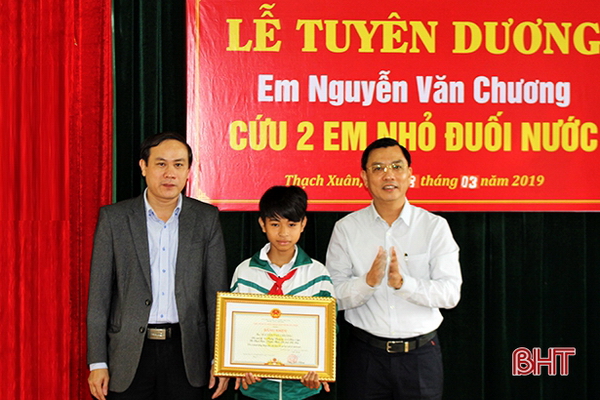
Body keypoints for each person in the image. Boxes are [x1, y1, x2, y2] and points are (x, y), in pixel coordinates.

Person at [86, 132, 229, 399]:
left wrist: (218, 359)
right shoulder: (114, 219)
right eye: (161, 164)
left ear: (188, 171)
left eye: (178, 165)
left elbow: (216, 296)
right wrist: (97, 362)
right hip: (128, 353)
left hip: (187, 354)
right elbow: (99, 296)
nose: (169, 173)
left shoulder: (205, 219)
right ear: (144, 167)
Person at [326, 137, 462, 400]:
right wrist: (367, 282)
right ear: (364, 178)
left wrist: (403, 284)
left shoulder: (434, 227)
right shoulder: (346, 229)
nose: (388, 175)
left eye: (396, 167)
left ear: (410, 174)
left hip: (420, 357)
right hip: (365, 357)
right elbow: (332, 296)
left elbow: (450, 294)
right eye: (378, 168)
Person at [229, 185, 334, 400]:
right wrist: (240, 364)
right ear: (262, 224)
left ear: (303, 224)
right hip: (257, 389)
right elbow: (236, 329)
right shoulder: (245, 272)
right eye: (275, 224)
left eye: (292, 224)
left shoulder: (318, 274)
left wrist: (319, 367)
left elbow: (329, 329)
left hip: (301, 390)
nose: (284, 233)